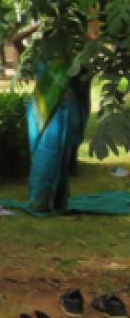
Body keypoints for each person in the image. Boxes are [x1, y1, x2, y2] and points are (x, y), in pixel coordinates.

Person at [13, 20, 96, 215]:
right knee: (44, 158)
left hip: (67, 113)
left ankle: (59, 202)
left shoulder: (75, 60)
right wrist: (39, 25)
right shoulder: (39, 57)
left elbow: (92, 47)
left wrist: (77, 28)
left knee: (62, 159)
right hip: (42, 112)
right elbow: (15, 40)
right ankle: (39, 202)